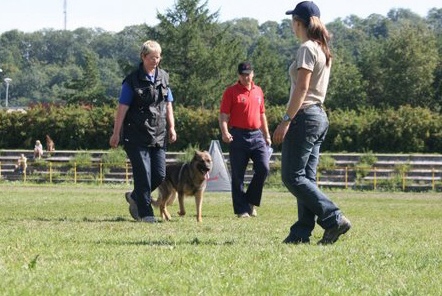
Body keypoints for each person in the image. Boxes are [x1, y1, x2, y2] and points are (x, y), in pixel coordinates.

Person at [272, 1, 351, 244]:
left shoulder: (306, 48)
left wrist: (286, 119)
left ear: (298, 23)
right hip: (319, 117)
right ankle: (301, 232)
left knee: (292, 177)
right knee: (306, 177)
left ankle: (333, 216)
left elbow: (302, 88)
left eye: (292, 21)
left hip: (304, 117)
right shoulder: (323, 49)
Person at [109, 40, 177, 223]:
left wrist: (172, 127)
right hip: (136, 134)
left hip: (159, 133)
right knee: (143, 175)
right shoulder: (132, 81)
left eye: (158, 57)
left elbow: (168, 104)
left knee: (160, 175)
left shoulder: (164, 77)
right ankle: (146, 213)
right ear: (143, 57)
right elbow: (122, 108)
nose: (156, 60)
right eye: (152, 57)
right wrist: (116, 133)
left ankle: (135, 196)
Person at [219, 61, 271, 218]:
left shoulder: (258, 91)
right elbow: (223, 115)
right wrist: (225, 131)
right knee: (238, 175)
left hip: (257, 135)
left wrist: (266, 134)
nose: (246, 77)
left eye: (248, 74)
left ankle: (250, 201)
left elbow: (262, 114)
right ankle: (241, 210)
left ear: (253, 74)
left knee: (263, 168)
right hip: (238, 135)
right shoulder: (231, 92)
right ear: (238, 75)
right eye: (243, 75)